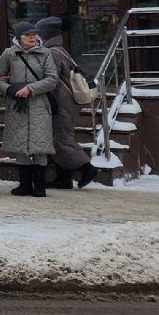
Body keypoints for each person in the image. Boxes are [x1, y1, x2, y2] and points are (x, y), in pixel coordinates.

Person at [0, 21, 60, 196]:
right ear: (18, 37)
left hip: (39, 104)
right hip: (16, 104)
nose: (31, 37)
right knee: (19, 144)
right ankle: (25, 185)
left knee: (40, 145)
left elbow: (52, 79)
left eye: (33, 34)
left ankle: (39, 187)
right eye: (27, 34)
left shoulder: (45, 54)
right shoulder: (9, 54)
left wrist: (31, 89)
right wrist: (9, 90)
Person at [36, 16, 101, 189]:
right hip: (65, 102)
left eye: (38, 33)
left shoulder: (51, 52)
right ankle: (63, 178)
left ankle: (87, 168)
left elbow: (51, 80)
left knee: (62, 140)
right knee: (57, 138)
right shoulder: (59, 49)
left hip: (59, 102)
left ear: (44, 34)